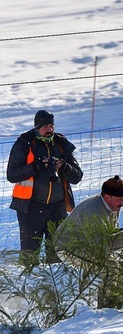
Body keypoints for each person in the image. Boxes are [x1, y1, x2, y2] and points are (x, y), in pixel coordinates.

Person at [6, 109, 83, 262]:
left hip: (57, 207)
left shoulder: (61, 144)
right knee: (29, 256)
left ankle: (56, 285)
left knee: (58, 254)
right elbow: (12, 175)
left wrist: (65, 167)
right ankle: (28, 284)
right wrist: (36, 166)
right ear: (37, 127)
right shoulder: (24, 144)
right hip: (30, 208)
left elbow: (77, 177)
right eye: (46, 126)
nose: (50, 129)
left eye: (52, 125)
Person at [55, 175, 123, 254]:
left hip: (87, 244)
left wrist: (120, 232)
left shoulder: (112, 206)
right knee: (112, 269)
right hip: (69, 249)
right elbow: (100, 245)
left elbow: (105, 235)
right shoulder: (93, 211)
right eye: (120, 199)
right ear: (107, 197)